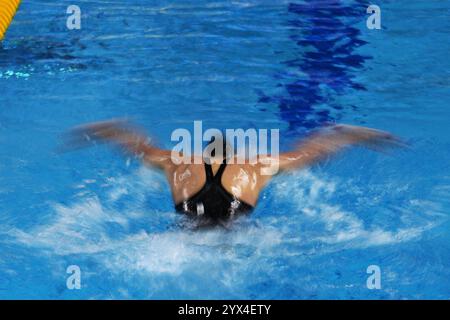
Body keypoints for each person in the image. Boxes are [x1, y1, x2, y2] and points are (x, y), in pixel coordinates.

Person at [63, 119, 404, 227]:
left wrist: (99, 130)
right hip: (236, 224)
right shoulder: (258, 165)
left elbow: (130, 139)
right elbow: (315, 151)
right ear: (236, 153)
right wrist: (354, 134)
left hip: (183, 230)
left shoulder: (174, 161)